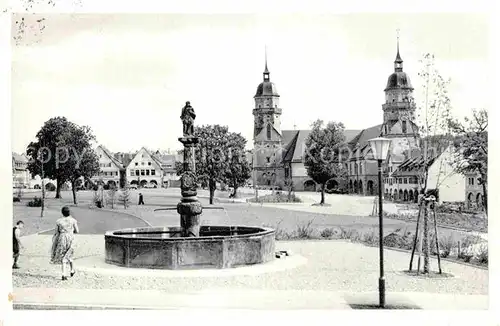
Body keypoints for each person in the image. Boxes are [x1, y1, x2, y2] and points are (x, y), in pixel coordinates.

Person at [51, 206, 79, 281]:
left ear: (62, 212)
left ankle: (65, 273)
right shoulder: (73, 220)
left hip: (62, 238)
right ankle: (70, 271)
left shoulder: (59, 221)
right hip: (70, 238)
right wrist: (70, 230)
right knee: (69, 254)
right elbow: (77, 231)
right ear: (69, 212)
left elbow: (56, 232)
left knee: (63, 255)